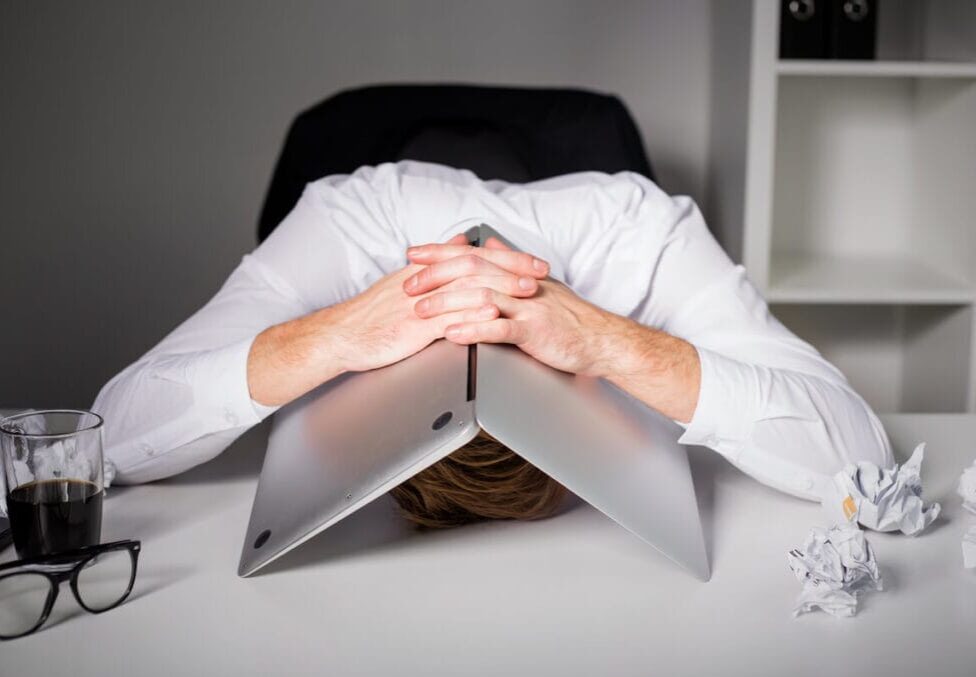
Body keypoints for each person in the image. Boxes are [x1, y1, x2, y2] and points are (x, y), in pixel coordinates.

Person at [91, 160, 893, 527]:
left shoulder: (644, 237)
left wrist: (608, 341)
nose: (479, 325)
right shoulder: (344, 226)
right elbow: (110, 439)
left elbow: (863, 462)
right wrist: (338, 335)